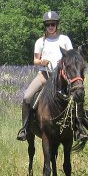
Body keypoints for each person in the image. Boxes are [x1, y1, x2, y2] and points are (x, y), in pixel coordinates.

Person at [16, 10, 75, 141]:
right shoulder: (40, 42)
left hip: (61, 78)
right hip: (44, 75)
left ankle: (79, 128)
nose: (50, 27)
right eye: (48, 25)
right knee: (27, 97)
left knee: (76, 96)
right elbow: (35, 60)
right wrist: (42, 61)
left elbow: (72, 57)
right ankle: (25, 128)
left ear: (57, 25)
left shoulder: (65, 39)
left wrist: (63, 63)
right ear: (45, 26)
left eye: (53, 24)